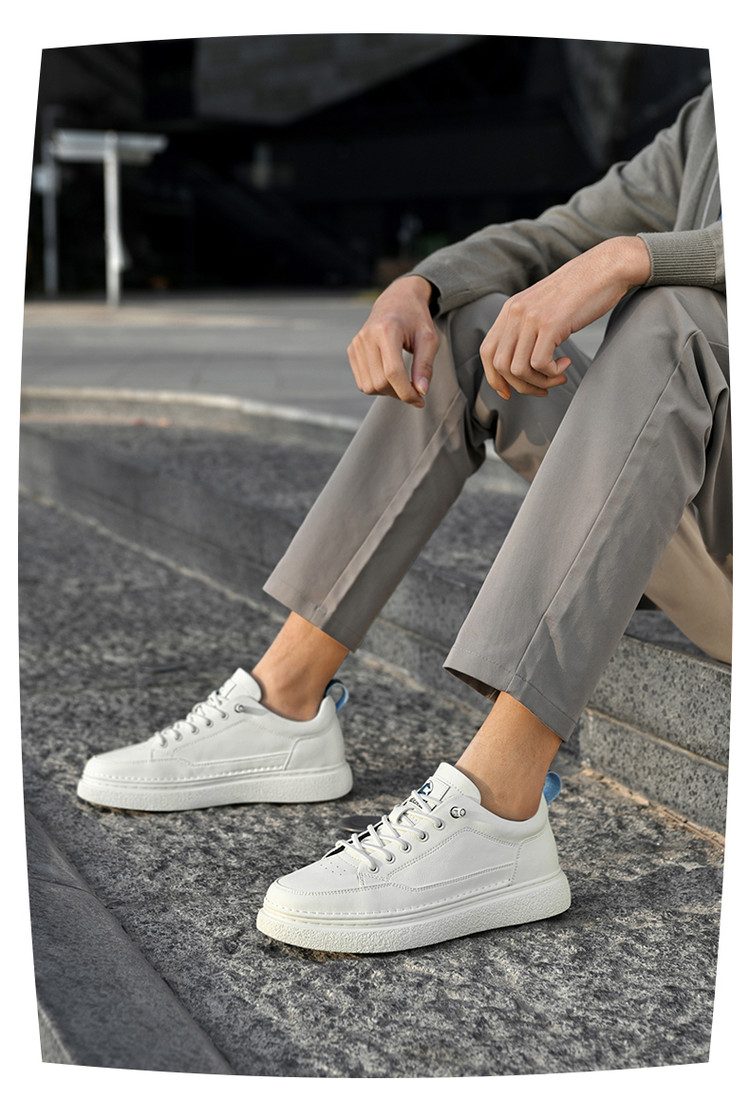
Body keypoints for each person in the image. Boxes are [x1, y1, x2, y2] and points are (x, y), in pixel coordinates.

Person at [77, 84, 730, 954]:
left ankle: (500, 810)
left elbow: (624, 262)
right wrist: (414, 288)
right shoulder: (713, 116)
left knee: (670, 317)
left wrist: (632, 258)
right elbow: (552, 236)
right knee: (468, 324)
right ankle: (286, 700)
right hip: (699, 522)